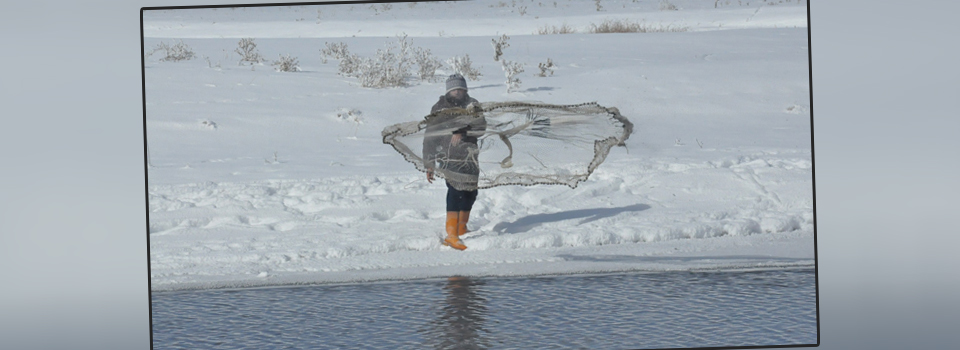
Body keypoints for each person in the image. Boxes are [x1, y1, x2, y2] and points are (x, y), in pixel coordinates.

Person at [423, 74, 486, 251]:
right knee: (455, 191)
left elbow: (481, 127)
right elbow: (430, 136)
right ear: (449, 91)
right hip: (448, 156)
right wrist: (429, 163)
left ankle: (462, 228)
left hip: (470, 156)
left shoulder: (472, 104)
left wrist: (463, 132)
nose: (458, 92)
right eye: (454, 89)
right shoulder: (440, 107)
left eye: (461, 89)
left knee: (470, 193)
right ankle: (451, 235)